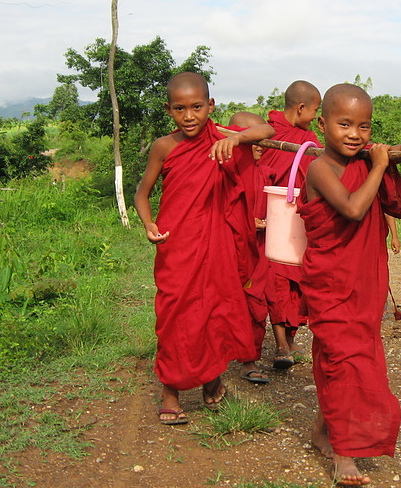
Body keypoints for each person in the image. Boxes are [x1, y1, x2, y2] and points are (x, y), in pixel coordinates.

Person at [297, 83, 401, 485]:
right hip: (330, 283)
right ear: (322, 124)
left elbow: (399, 166)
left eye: (364, 126)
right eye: (344, 124)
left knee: (343, 359)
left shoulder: (365, 157)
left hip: (363, 283)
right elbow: (355, 209)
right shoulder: (320, 168)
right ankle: (346, 453)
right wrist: (377, 165)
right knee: (344, 360)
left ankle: (324, 429)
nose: (355, 134)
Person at [134, 72, 274, 425]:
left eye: (197, 107)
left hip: (217, 244)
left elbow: (269, 131)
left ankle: (212, 378)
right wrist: (148, 223)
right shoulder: (165, 146)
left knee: (215, 311)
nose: (190, 116)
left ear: (211, 106)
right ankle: (170, 390)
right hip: (177, 244)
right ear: (169, 110)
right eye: (180, 109)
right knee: (175, 316)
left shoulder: (223, 137)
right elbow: (142, 193)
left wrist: (237, 138)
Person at [258, 80, 323, 369]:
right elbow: (258, 174)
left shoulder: (310, 141)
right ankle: (281, 344)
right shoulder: (269, 134)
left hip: (300, 220)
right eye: (314, 110)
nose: (315, 117)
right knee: (276, 281)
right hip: (272, 220)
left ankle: (292, 338)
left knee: (299, 281)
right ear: (301, 107)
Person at [226, 111, 275, 385]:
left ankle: (250, 359)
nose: (257, 146)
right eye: (249, 139)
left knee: (255, 303)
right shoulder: (222, 168)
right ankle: (215, 360)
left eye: (258, 139)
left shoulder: (266, 173)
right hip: (228, 248)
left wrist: (266, 223)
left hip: (258, 250)